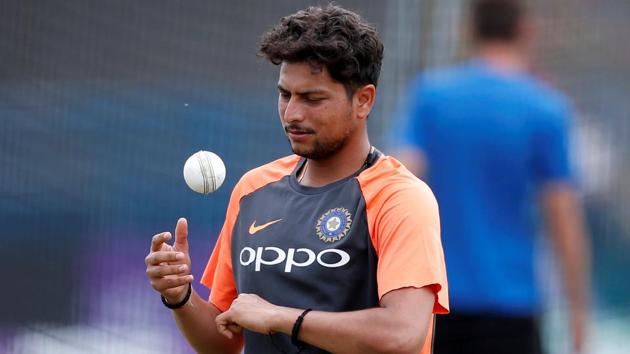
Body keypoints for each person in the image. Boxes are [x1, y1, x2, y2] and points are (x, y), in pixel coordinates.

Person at [145, 5, 449, 354]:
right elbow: (223, 342)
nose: (292, 114)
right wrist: (180, 296)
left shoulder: (400, 198)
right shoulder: (253, 190)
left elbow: (402, 335)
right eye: (285, 94)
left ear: (363, 101)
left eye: (312, 98)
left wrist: (281, 317)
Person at [389, 0, 590, 353]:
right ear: (526, 30)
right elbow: (564, 219)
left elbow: (399, 184)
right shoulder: (546, 107)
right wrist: (577, 317)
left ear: (468, 31)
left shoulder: (431, 96)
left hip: (436, 300)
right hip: (513, 306)